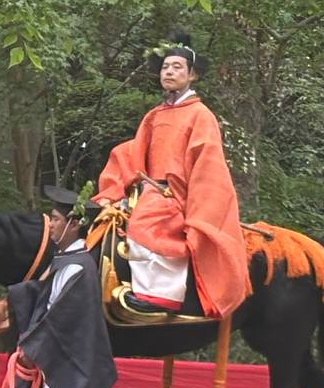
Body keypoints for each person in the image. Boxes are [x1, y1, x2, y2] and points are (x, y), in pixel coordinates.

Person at [95, 36, 248, 319]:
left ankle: (163, 296)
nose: (169, 72)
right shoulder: (154, 115)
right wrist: (117, 188)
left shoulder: (201, 115)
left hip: (178, 194)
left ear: (192, 74)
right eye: (165, 67)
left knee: (147, 221)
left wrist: (194, 205)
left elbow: (208, 164)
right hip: (149, 188)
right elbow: (133, 151)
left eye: (177, 67)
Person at [0, 185, 116, 388]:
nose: (50, 225)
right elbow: (40, 296)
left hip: (64, 367)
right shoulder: (68, 262)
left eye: (56, 220)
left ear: (73, 224)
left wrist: (30, 348)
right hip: (52, 361)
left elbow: (59, 320)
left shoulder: (78, 268)